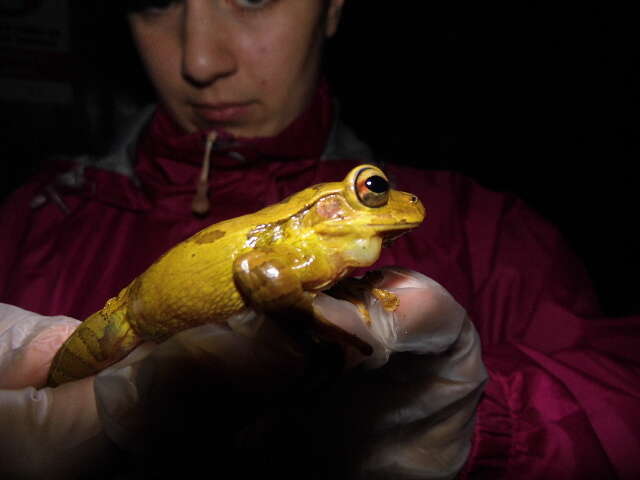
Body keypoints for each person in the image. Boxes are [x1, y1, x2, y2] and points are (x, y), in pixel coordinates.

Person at [0, 0, 639, 478]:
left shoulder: (490, 230)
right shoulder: (34, 214)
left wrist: (484, 425)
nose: (201, 60)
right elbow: (263, 278)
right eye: (156, 0)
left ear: (332, 6)